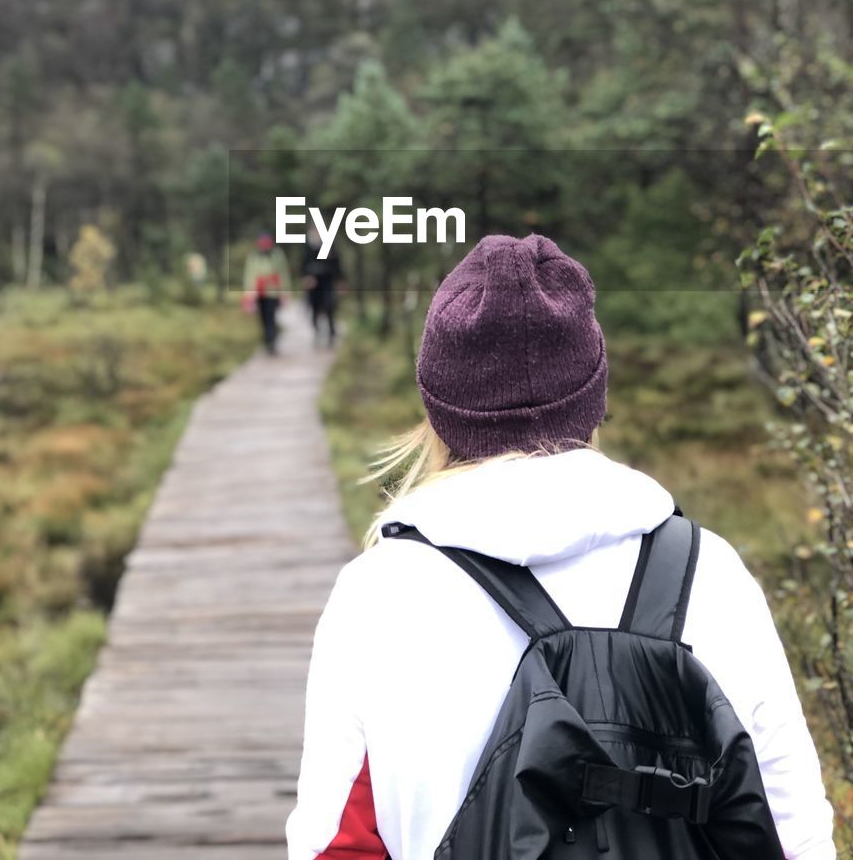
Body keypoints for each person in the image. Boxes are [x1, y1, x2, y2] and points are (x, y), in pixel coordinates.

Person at [285, 232, 837, 860]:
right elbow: (794, 831)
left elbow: (337, 844)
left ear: (440, 409)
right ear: (593, 398)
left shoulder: (379, 594)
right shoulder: (707, 572)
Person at [242, 232, 290, 355]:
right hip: (258, 293)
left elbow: (283, 274)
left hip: (273, 292)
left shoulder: (277, 255)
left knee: (271, 317)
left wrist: (285, 292)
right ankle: (267, 341)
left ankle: (272, 342)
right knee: (263, 319)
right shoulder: (253, 257)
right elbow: (250, 276)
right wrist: (249, 294)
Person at [301, 224, 343, 346]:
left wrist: (340, 280)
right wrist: (306, 276)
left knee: (329, 306)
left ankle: (331, 332)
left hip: (327, 280)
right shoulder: (308, 245)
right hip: (313, 282)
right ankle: (317, 331)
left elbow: (336, 263)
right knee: (315, 307)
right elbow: (304, 263)